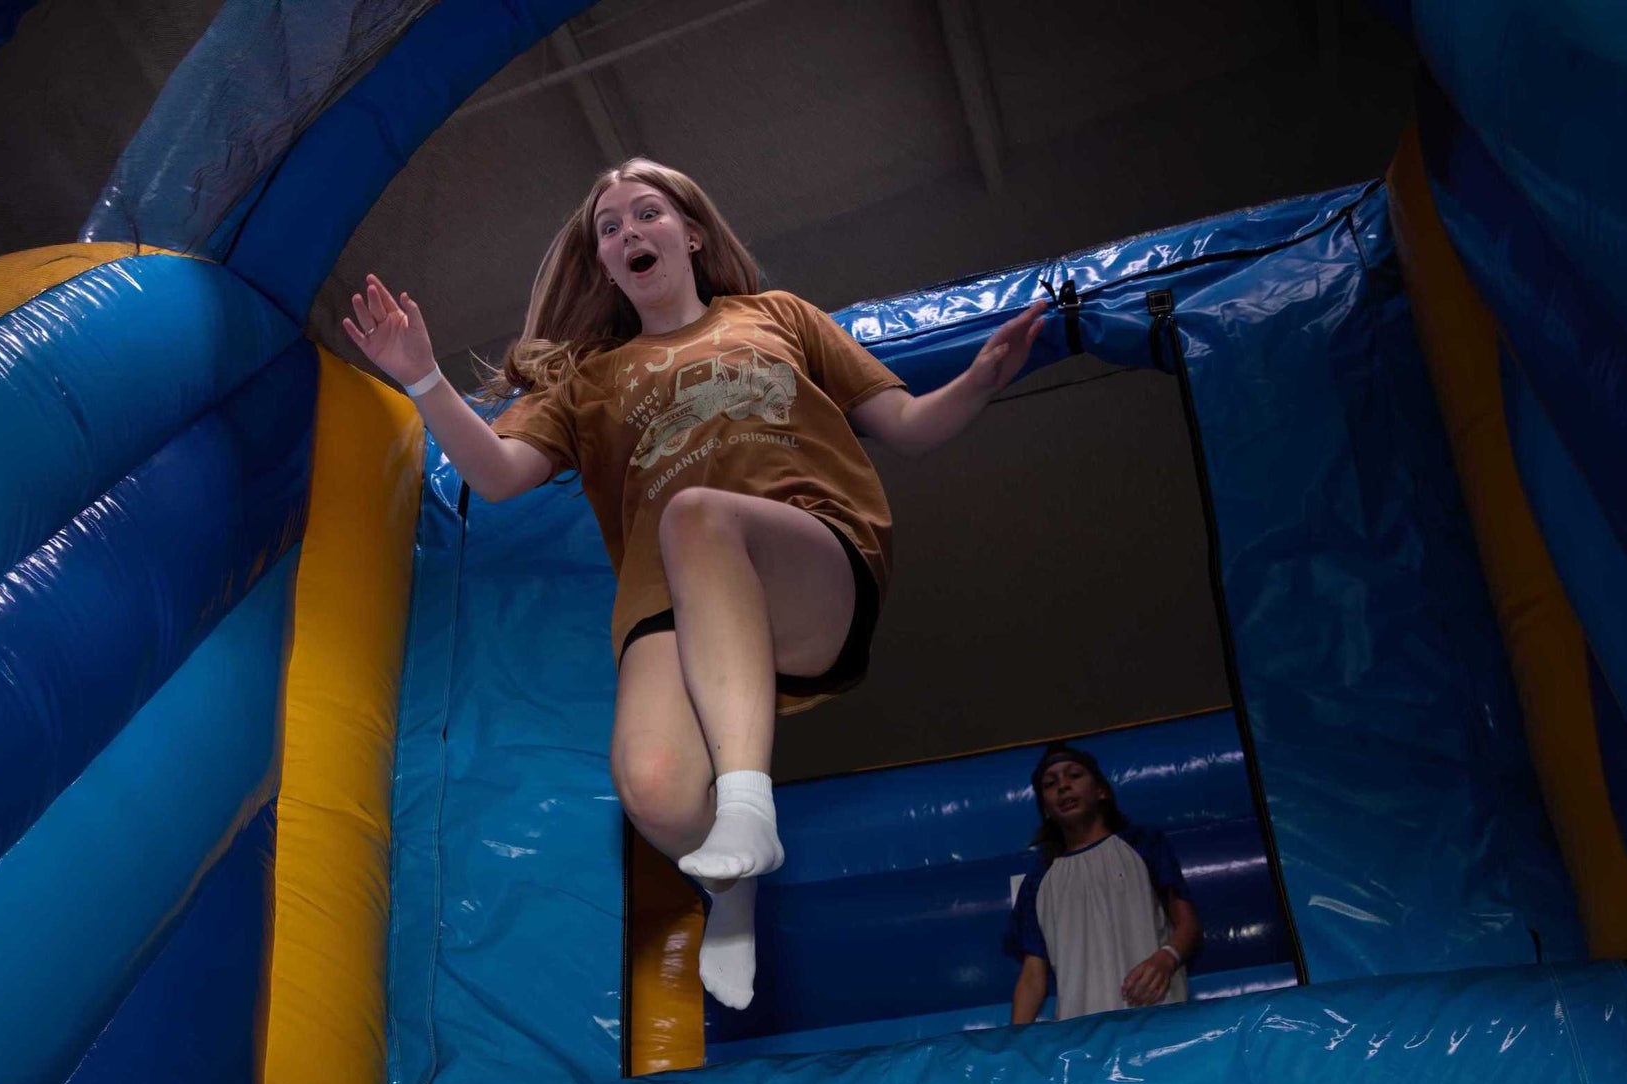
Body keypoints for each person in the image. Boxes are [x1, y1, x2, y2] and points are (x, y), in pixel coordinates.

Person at [342, 158, 1046, 1010]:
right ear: (602, 263)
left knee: (696, 516)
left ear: (691, 232)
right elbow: (493, 475)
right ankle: (733, 889)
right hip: (669, 605)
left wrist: (975, 382)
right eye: (610, 228)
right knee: (653, 790)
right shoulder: (590, 379)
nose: (629, 233)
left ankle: (751, 802)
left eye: (648, 214)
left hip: (806, 557)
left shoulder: (777, 316)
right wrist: (422, 376)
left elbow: (906, 426)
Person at [1006, 744, 1203, 1024]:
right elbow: (1033, 975)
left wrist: (1166, 958)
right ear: (1046, 810)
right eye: (1050, 784)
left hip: (1155, 1020)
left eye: (1074, 775)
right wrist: (1016, 1046)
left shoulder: (1144, 845)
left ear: (1101, 791)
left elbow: (1188, 924)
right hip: (1083, 1038)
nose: (1063, 786)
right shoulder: (1039, 881)